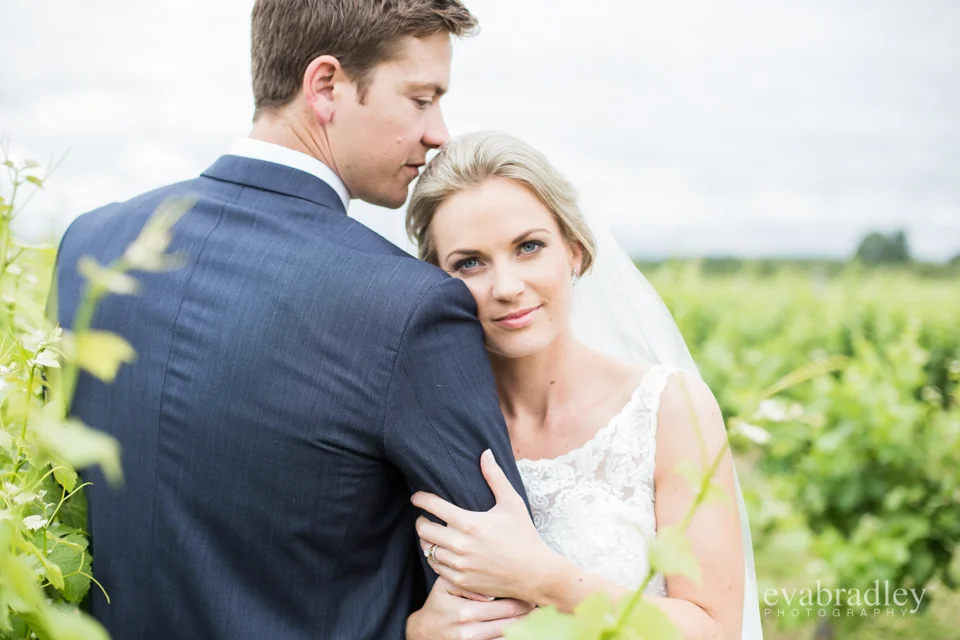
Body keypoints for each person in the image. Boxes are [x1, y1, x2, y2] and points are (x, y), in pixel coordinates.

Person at [51, 3, 534, 639]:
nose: (438, 132)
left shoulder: (90, 244)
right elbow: (499, 583)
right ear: (326, 85)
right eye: (421, 99)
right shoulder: (407, 304)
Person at [404, 131, 764, 639]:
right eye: (470, 263)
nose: (507, 287)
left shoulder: (669, 409)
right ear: (437, 283)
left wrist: (543, 578)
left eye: (529, 247)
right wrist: (418, 632)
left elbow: (716, 629)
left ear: (574, 250)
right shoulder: (424, 428)